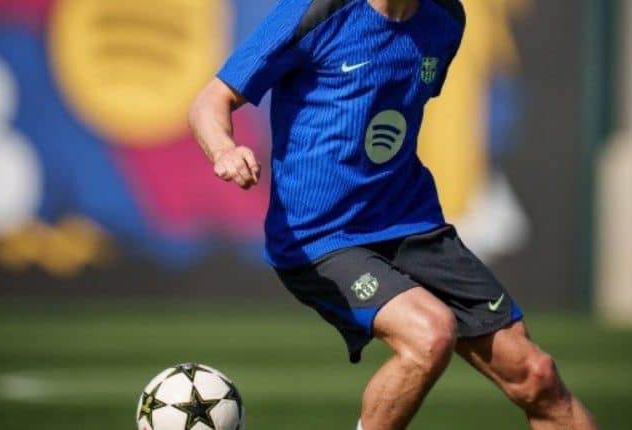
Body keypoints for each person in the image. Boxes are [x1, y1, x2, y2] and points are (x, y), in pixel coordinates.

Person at [189, 1, 599, 429]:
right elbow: (210, 101)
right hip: (320, 236)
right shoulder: (315, 12)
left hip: (413, 225)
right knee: (430, 335)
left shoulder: (445, 20)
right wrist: (224, 150)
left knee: (537, 376)